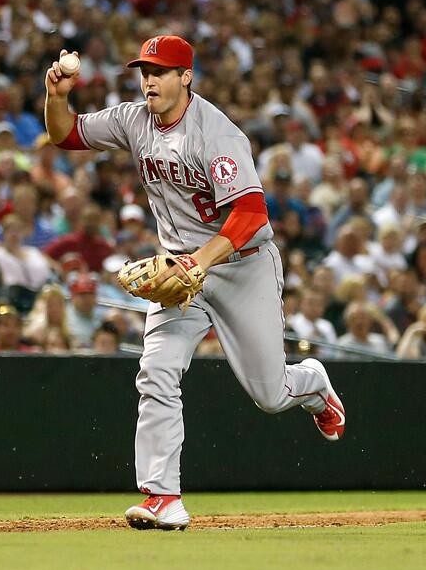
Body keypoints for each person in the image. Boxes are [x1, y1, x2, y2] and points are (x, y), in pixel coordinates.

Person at [44, 36, 346, 531]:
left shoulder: (218, 134)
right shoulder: (132, 119)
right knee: (156, 369)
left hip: (241, 265)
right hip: (179, 271)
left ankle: (312, 383)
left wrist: (198, 263)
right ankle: (163, 495)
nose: (149, 80)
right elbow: (66, 135)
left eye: (160, 71)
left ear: (186, 77)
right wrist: (56, 96)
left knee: (271, 395)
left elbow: (250, 215)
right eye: (144, 70)